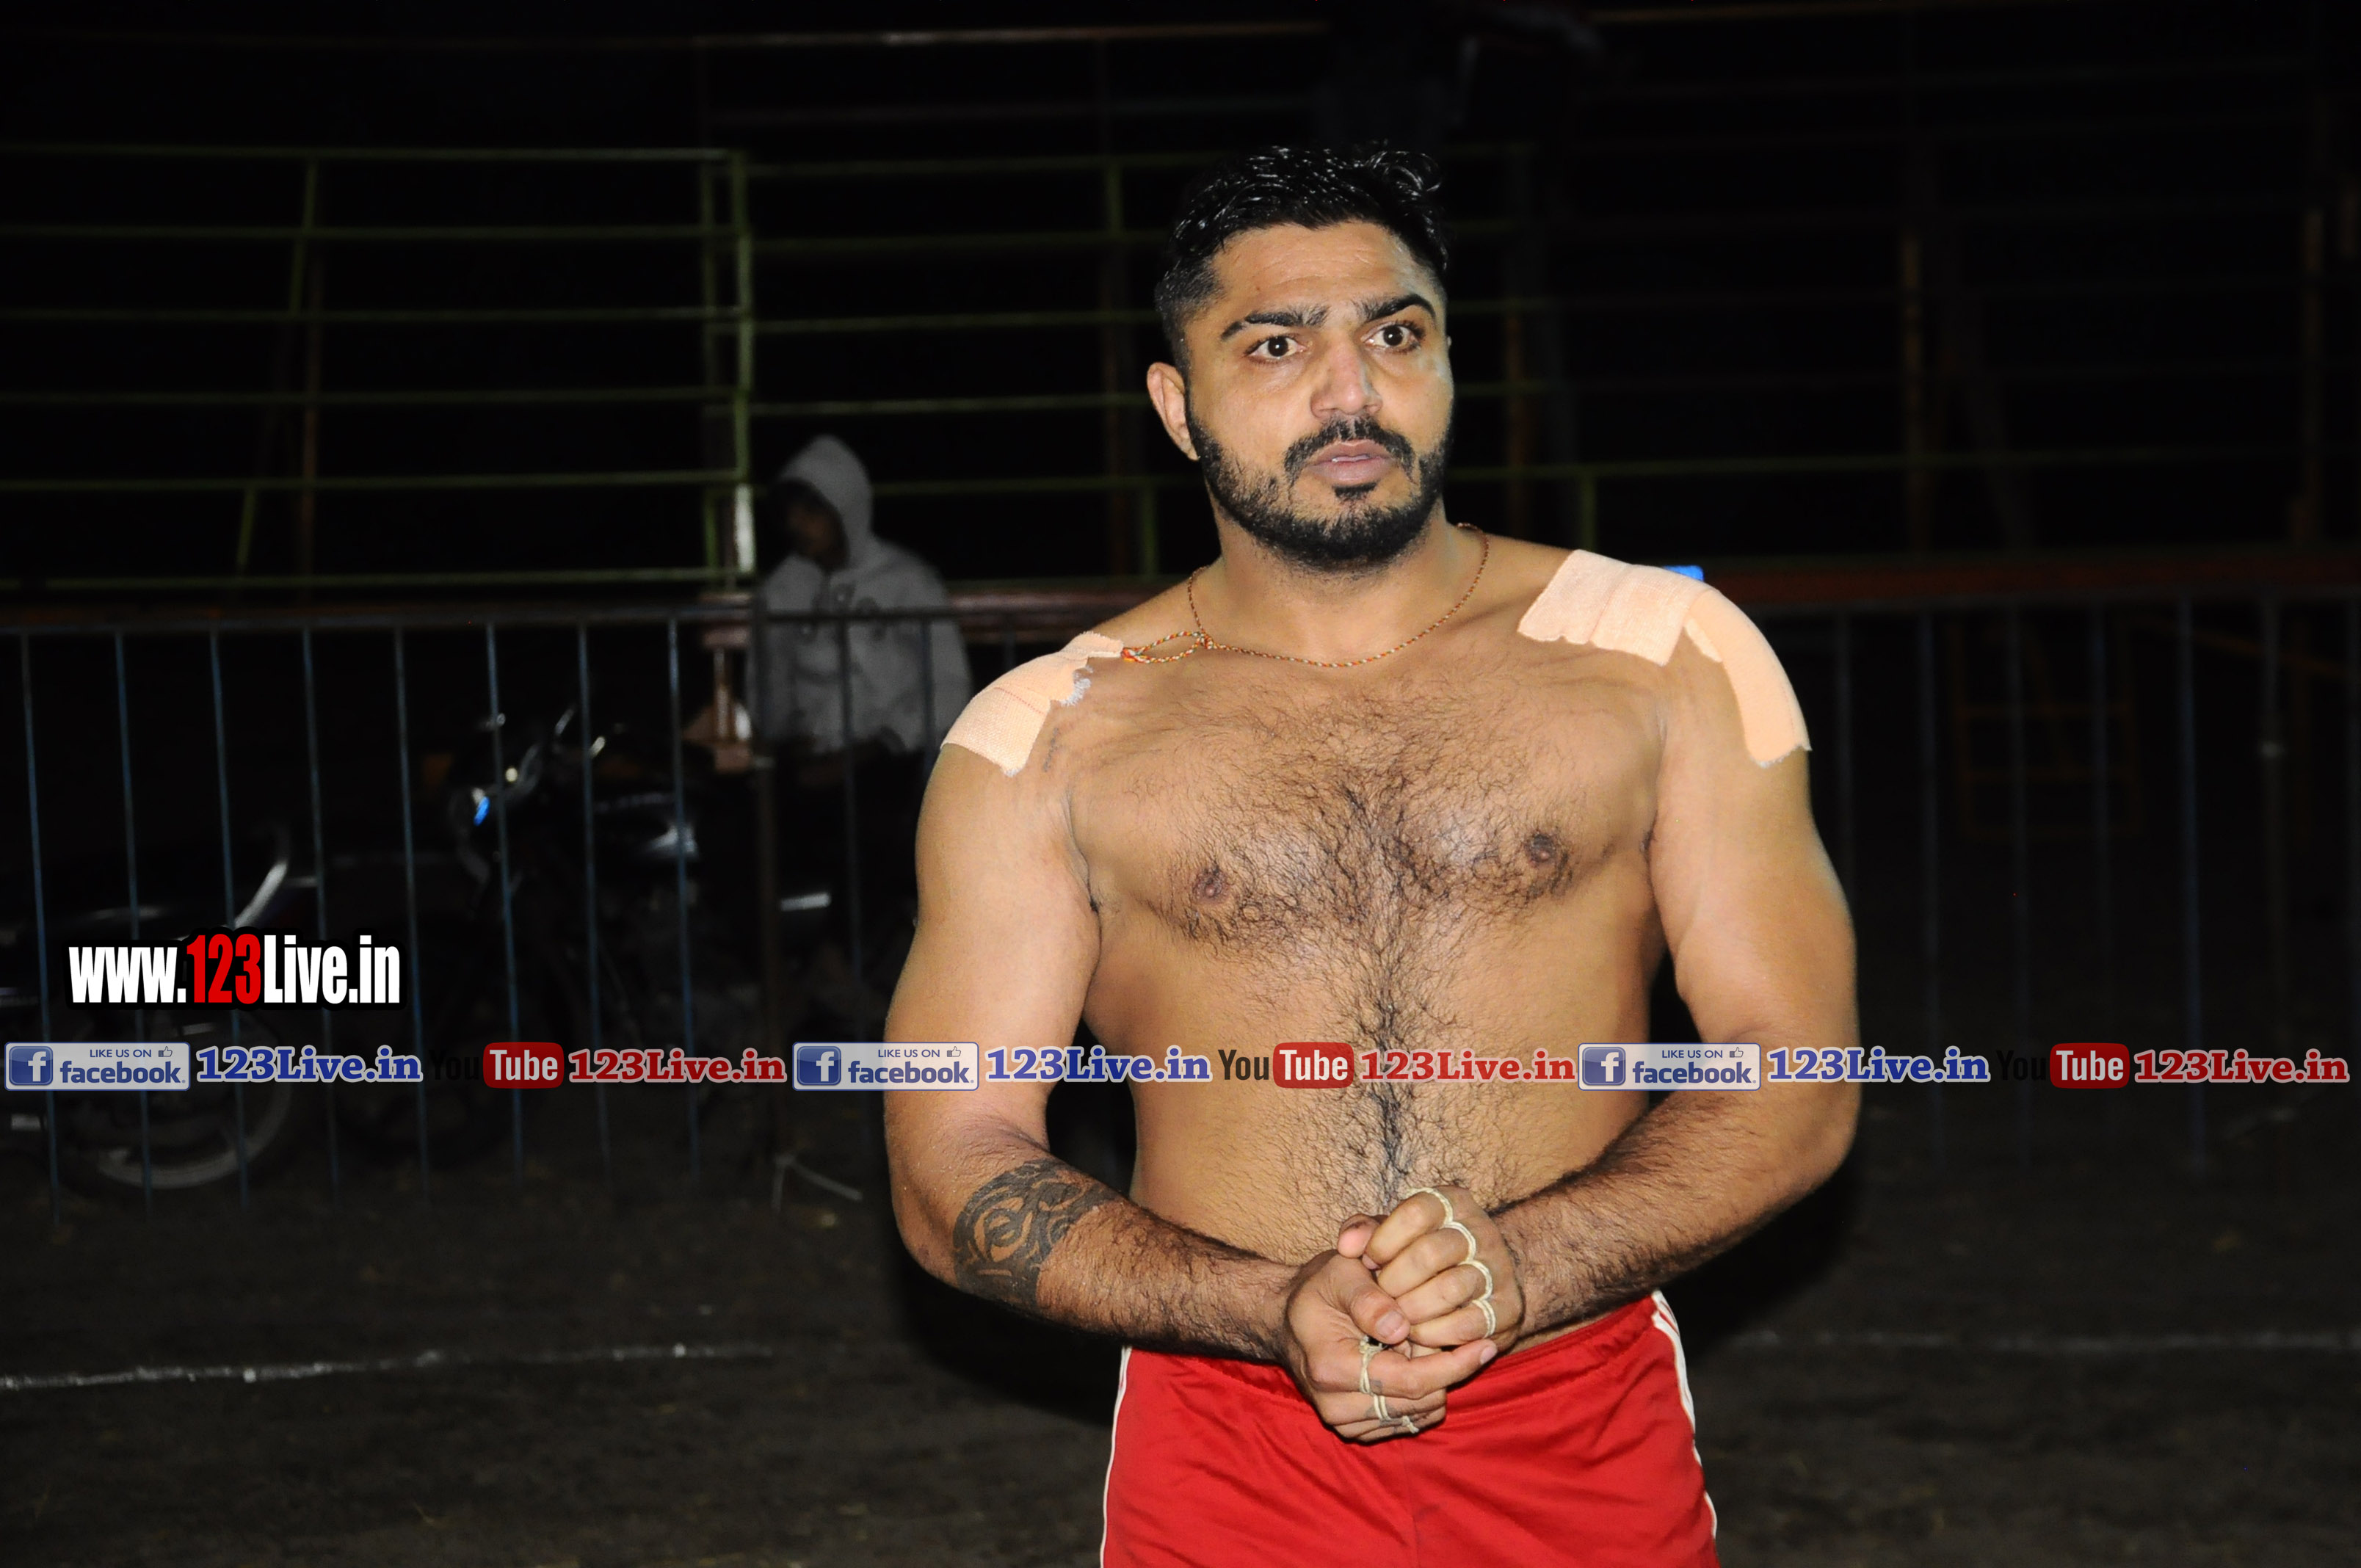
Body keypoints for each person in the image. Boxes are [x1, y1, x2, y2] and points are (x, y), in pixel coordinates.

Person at [883, 147, 1857, 1567]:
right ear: (1176, 405)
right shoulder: (1045, 736)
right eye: (1275, 345)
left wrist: (1525, 1263)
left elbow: (1800, 1066)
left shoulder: (1668, 656)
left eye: (1394, 334)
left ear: (1451, 360)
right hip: (1229, 1444)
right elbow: (948, 1159)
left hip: (1578, 1419)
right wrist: (1263, 1306)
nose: (1350, 391)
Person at [755, 434, 971, 1028]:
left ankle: (833, 964)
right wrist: (781, 738)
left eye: (812, 510)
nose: (798, 525)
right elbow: (767, 683)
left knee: (880, 826)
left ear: (845, 507)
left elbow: (949, 684)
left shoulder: (906, 582)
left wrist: (870, 748)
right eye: (791, 512)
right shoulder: (784, 590)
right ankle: (777, 977)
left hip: (889, 756)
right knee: (732, 830)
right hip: (806, 759)